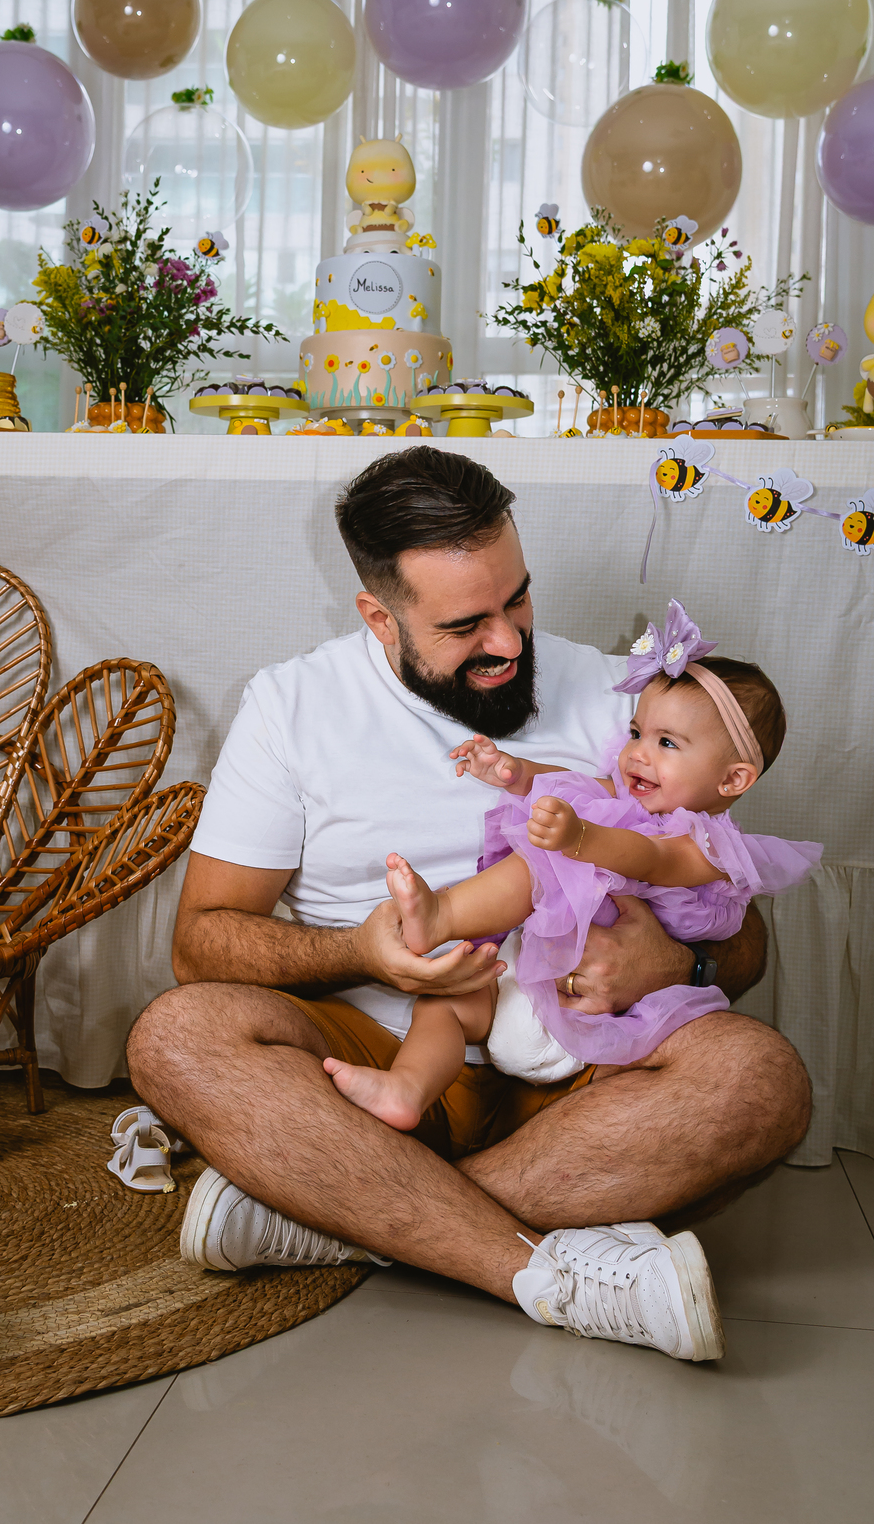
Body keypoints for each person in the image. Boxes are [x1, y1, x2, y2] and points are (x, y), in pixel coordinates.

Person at [126, 448, 812, 1362]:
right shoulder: (292, 707)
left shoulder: (627, 703)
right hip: (387, 1061)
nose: (510, 642)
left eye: (518, 598)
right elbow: (201, 945)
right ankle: (532, 1266)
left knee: (761, 1079)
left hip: (579, 1067)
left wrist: (668, 961)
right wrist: (365, 950)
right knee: (174, 1036)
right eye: (466, 625)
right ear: (379, 615)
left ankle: (348, 1217)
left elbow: (734, 923)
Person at [323, 598, 821, 1130]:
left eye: (667, 743)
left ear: (732, 781)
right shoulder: (630, 798)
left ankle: (441, 915)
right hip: (518, 982)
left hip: (587, 1020)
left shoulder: (708, 848)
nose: (638, 754)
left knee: (540, 865)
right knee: (444, 1005)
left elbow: (650, 858)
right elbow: (572, 783)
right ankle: (407, 1088)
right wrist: (513, 773)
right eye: (636, 733)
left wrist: (580, 837)